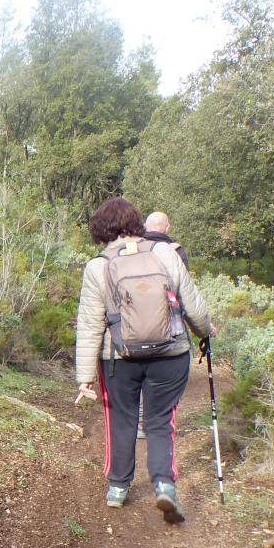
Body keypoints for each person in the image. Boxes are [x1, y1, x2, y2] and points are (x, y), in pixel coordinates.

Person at [73, 197, 215, 524]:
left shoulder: (98, 266)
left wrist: (85, 378)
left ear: (100, 229)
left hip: (118, 360)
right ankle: (164, 484)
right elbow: (192, 303)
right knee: (160, 421)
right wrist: (205, 331)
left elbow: (91, 323)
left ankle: (118, 489)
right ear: (138, 223)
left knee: (121, 420)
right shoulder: (166, 253)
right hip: (171, 354)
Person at [135, 211, 188, 440]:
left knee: (139, 372)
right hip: (169, 327)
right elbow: (185, 291)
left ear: (146, 227)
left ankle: (138, 422)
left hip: (136, 325)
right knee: (162, 374)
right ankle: (155, 422)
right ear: (167, 227)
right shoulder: (176, 252)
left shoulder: (133, 249)